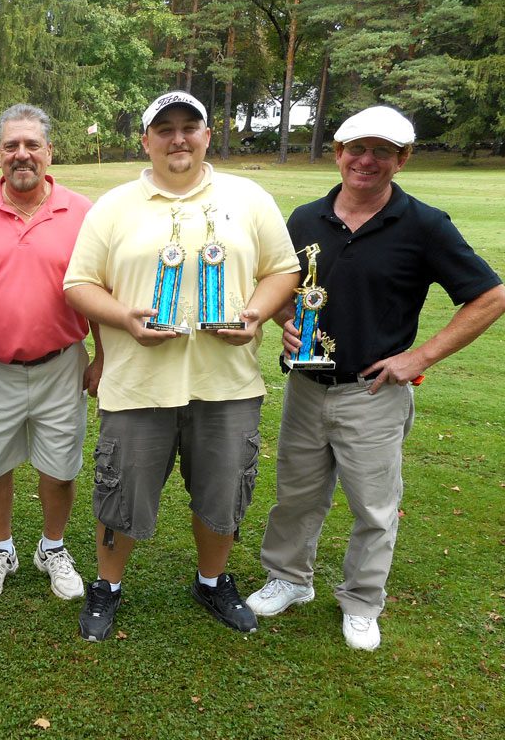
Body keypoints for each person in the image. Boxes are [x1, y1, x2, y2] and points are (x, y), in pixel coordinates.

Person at [245, 106, 505, 650]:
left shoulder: (424, 224)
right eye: (357, 149)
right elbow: (278, 282)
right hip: (305, 387)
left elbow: (491, 297)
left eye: (382, 152)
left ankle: (362, 601)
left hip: (373, 393)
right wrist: (284, 321)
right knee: (296, 494)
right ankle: (289, 579)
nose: (367, 161)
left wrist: (420, 358)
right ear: (338, 152)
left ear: (402, 159)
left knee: (372, 506)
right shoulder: (305, 219)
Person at [63, 91, 301, 641]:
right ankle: (107, 587)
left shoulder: (248, 198)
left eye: (189, 127)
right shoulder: (115, 206)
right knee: (120, 493)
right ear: (145, 141)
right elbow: (78, 284)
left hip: (227, 383)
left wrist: (258, 313)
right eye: (164, 129)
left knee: (224, 493)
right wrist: (126, 317)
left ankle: (212, 581)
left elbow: (283, 270)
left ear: (207, 135)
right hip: (137, 383)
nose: (178, 138)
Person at [0, 104, 102, 602]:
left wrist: (103, 356)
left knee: (59, 468)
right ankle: (1, 549)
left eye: (32, 145)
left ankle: (52, 547)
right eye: (11, 145)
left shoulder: (82, 212)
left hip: (61, 365)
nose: (22, 154)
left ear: (49, 152)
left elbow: (99, 289)